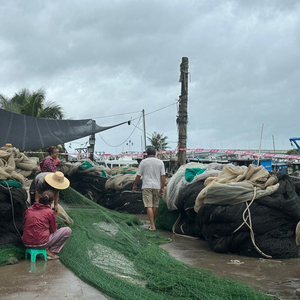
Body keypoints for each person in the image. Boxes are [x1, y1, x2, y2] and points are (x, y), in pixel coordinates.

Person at [22, 190, 72, 260]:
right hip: (40, 243)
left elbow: (24, 224)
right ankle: (51, 251)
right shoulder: (49, 212)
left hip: (26, 242)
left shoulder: (29, 209)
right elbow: (53, 229)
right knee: (67, 230)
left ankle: (45, 249)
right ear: (50, 202)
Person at [133, 147, 166, 231]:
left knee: (149, 206)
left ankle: (152, 225)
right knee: (155, 205)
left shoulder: (143, 162)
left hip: (146, 185)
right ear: (155, 154)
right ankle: (153, 223)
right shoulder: (160, 162)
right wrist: (162, 187)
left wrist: (135, 185)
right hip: (157, 186)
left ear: (146, 154)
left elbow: (138, 175)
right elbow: (163, 176)